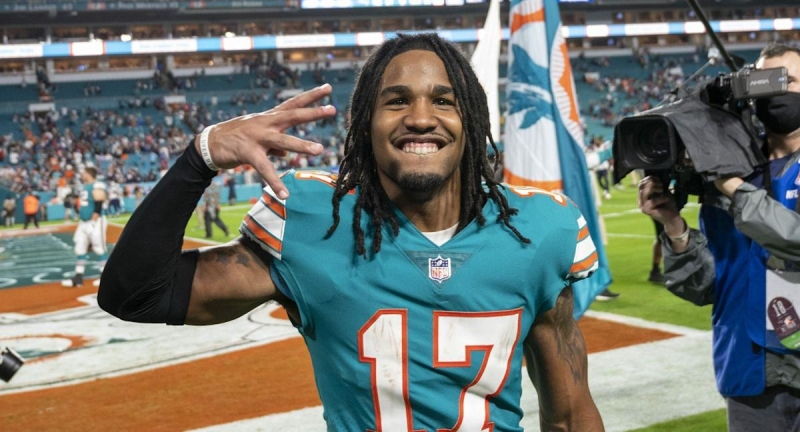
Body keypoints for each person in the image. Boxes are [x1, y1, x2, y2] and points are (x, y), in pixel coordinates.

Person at [99, 34, 604, 430]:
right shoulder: (311, 221)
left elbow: (569, 415)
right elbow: (136, 295)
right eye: (397, 101)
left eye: (443, 101)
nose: (420, 118)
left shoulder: (538, 229)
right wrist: (201, 156)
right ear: (365, 124)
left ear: (471, 120)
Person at [638, 43, 800, 431]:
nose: (776, 92)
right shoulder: (731, 171)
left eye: (788, 81)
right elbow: (707, 286)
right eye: (766, 82)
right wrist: (674, 227)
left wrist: (730, 185)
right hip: (747, 369)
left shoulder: (727, 179)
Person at [62, 166, 109, 288]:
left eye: (84, 173)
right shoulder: (85, 187)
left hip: (95, 221)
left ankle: (105, 278)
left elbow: (99, 203)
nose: (82, 175)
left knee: (99, 248)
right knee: (80, 248)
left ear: (89, 174)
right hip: (83, 222)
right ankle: (78, 278)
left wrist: (93, 221)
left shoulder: (97, 185)